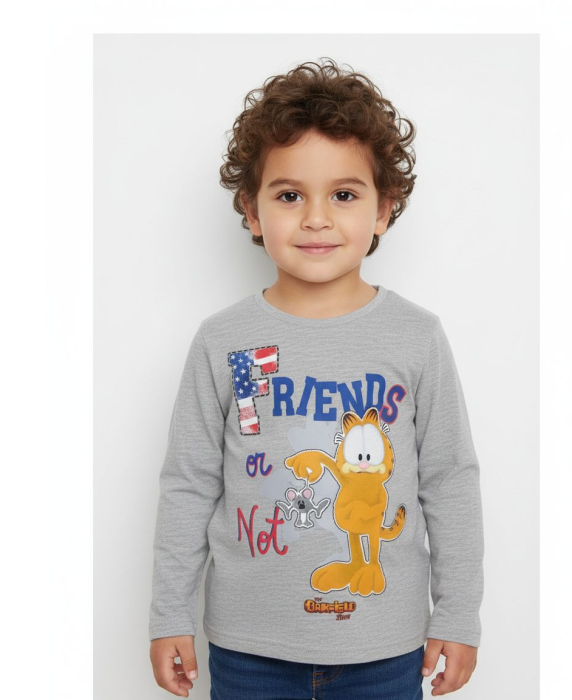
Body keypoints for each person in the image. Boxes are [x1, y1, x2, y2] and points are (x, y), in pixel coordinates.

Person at [148, 58, 484, 699]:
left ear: (384, 209)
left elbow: (450, 481)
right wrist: (169, 614)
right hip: (248, 651)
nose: (316, 218)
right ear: (252, 211)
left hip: (385, 649)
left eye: (344, 195)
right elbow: (189, 483)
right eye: (289, 195)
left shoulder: (417, 337)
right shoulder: (223, 341)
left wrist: (458, 613)